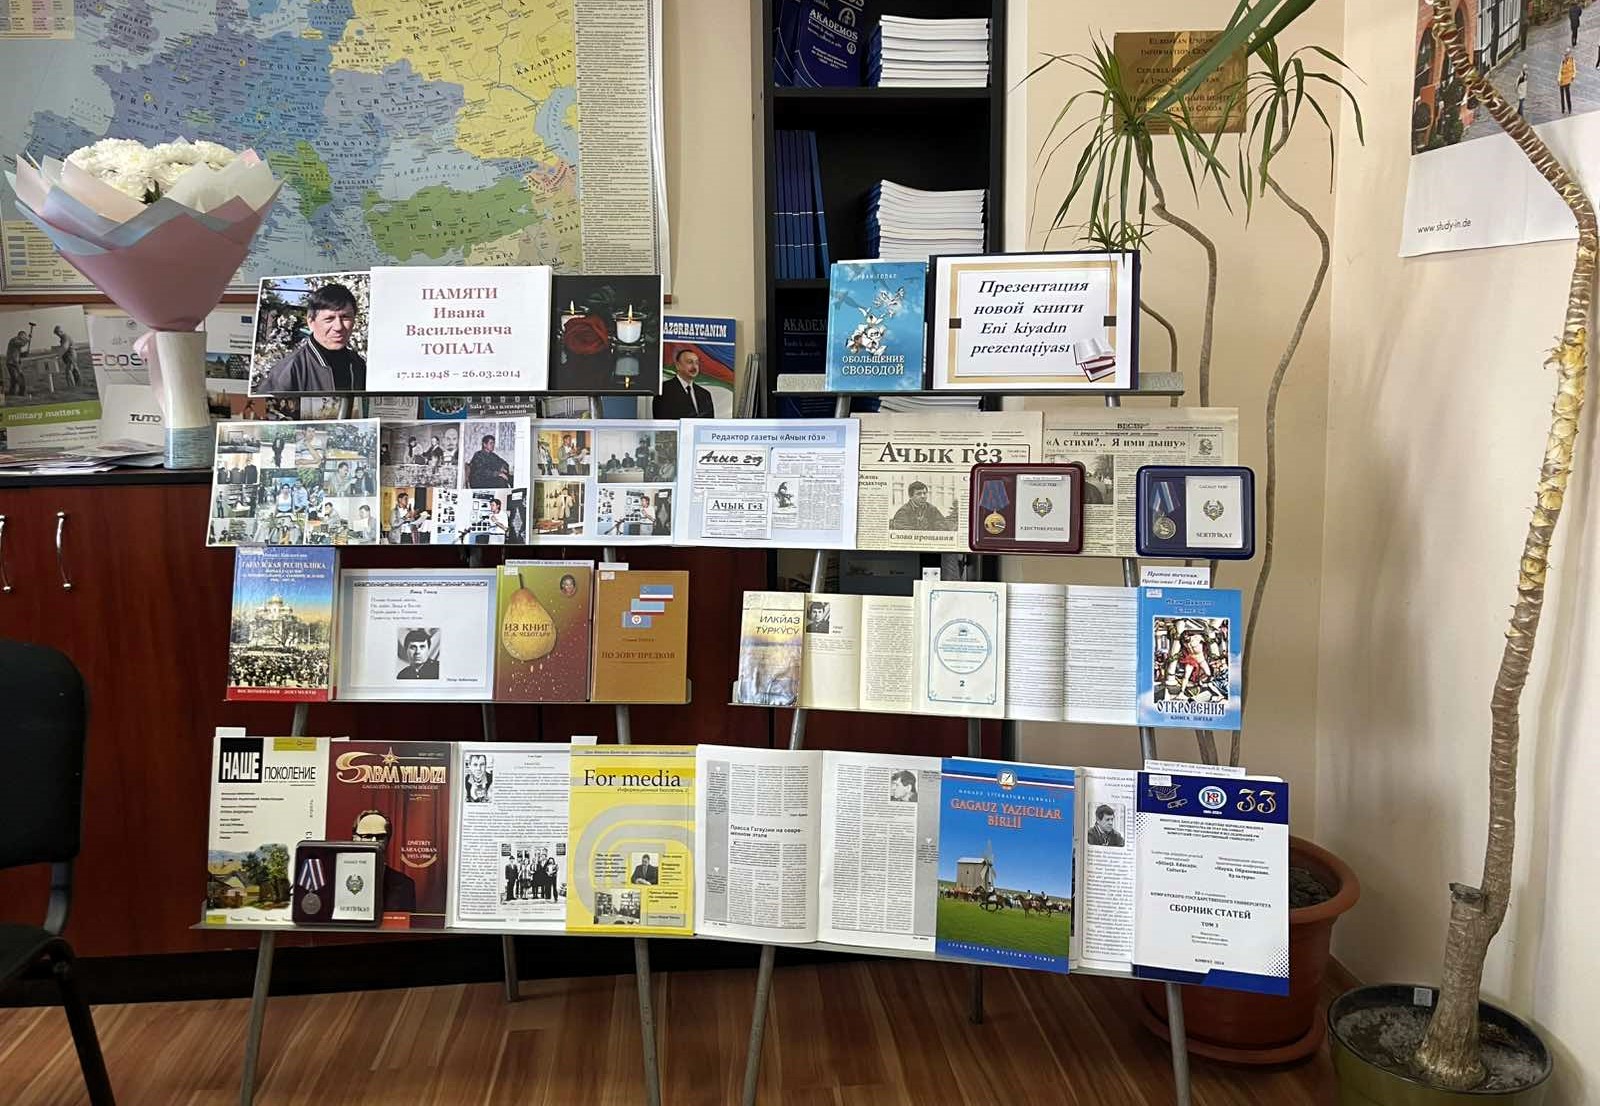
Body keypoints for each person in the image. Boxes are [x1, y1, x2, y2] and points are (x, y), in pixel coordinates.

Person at [259, 283, 367, 392]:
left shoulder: (358, 364)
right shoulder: (289, 371)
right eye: (329, 319)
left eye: (345, 317)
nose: (338, 327)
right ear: (311, 322)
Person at [352, 810, 416, 913]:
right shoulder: (337, 880)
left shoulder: (404, 885)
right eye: (367, 836)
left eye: (380, 837)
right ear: (355, 838)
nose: (374, 841)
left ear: (388, 839)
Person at [653, 347, 717, 418]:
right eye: (690, 362)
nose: (694, 367)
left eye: (697, 363)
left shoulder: (705, 394)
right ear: (678, 366)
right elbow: (661, 420)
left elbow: (709, 422)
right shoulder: (663, 390)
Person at [889, 481, 957, 531]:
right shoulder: (903, 511)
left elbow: (942, 526)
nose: (923, 496)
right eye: (919, 494)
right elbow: (904, 531)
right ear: (910, 496)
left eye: (924, 493)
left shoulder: (932, 509)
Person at [5, 327, 29, 396]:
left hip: (16, 363)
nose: (24, 338)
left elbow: (18, 354)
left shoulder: (18, 344)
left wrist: (24, 354)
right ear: (20, 335)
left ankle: (13, 393)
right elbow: (21, 343)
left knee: (15, 379)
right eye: (23, 336)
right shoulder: (14, 340)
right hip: (11, 363)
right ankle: (21, 393)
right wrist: (27, 339)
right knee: (17, 378)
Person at [1561, 49, 1577, 115]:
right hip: (1562, 80)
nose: (1566, 56)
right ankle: (1563, 109)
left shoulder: (1572, 60)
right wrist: (1559, 79)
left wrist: (1573, 76)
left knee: (1568, 95)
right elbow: (1560, 70)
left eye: (1567, 54)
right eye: (1565, 55)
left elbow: (1574, 69)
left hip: (1567, 80)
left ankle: (1569, 109)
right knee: (1562, 95)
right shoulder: (1563, 61)